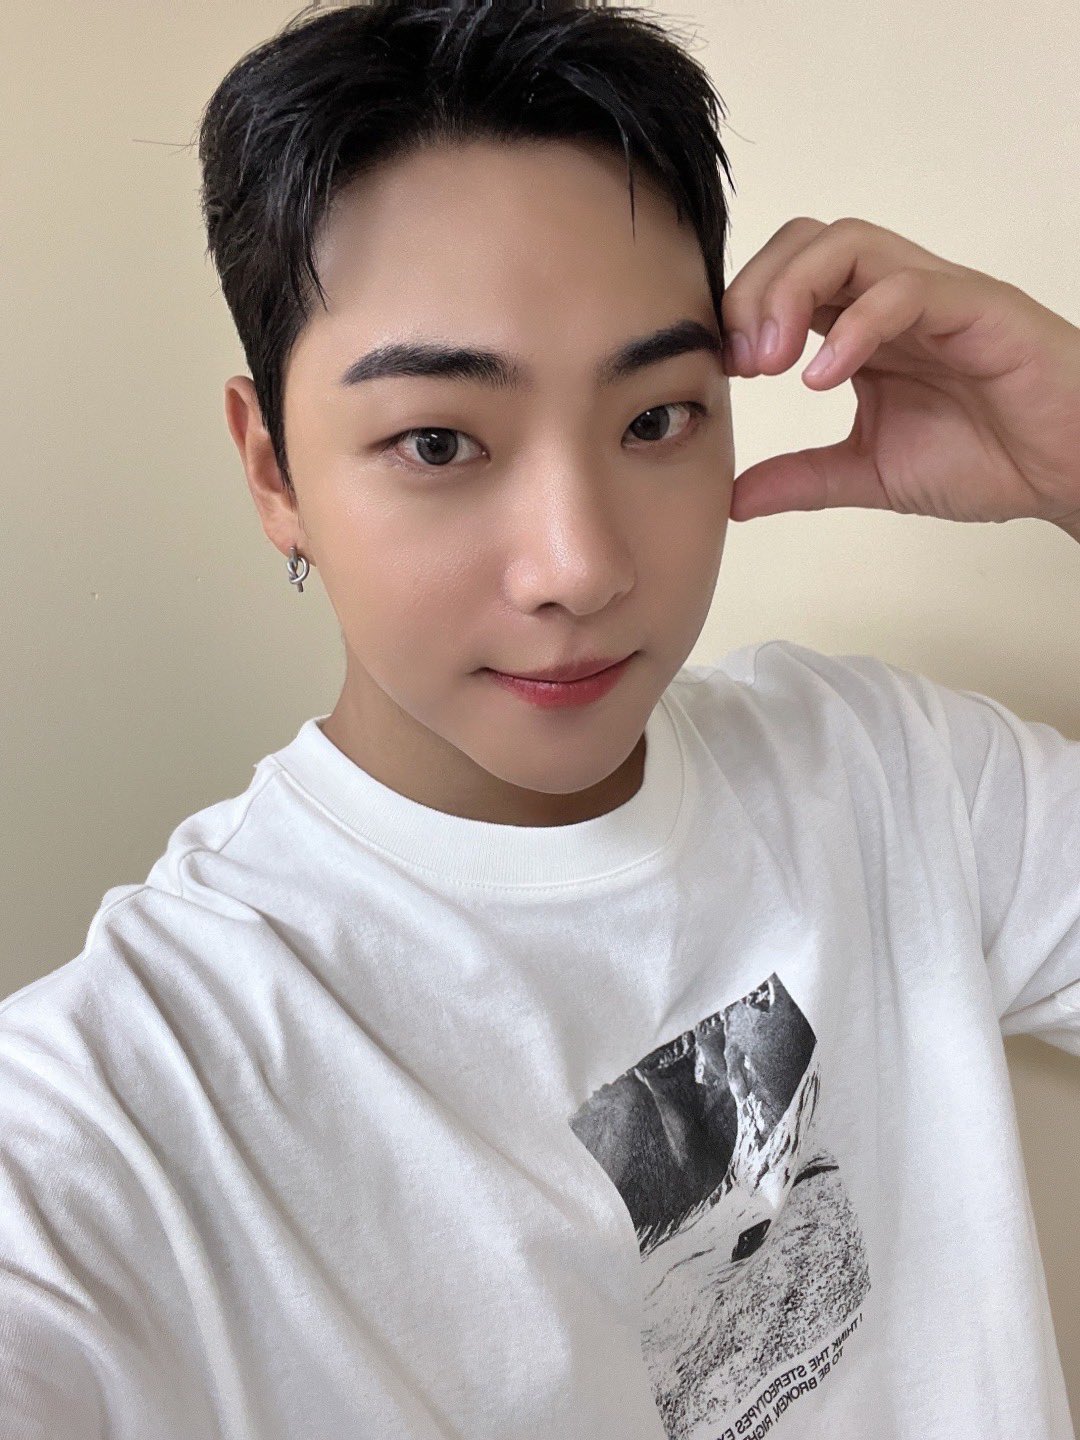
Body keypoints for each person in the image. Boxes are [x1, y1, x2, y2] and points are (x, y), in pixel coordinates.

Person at [3, 1, 1080, 1436]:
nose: (579, 567)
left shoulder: (885, 774)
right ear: (274, 471)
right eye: (438, 440)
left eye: (655, 419)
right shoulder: (129, 1099)